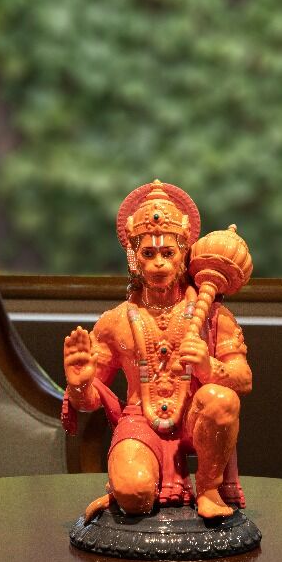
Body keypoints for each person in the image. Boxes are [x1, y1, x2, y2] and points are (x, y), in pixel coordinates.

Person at [62, 180, 252, 523]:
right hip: (140, 422)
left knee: (221, 399)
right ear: (134, 258)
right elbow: (89, 401)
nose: (159, 263)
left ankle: (208, 489)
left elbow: (243, 379)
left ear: (184, 253)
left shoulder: (213, 317)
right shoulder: (115, 321)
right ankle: (125, 484)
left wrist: (208, 367)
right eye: (148, 254)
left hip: (194, 418)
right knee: (134, 493)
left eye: (168, 253)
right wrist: (80, 383)